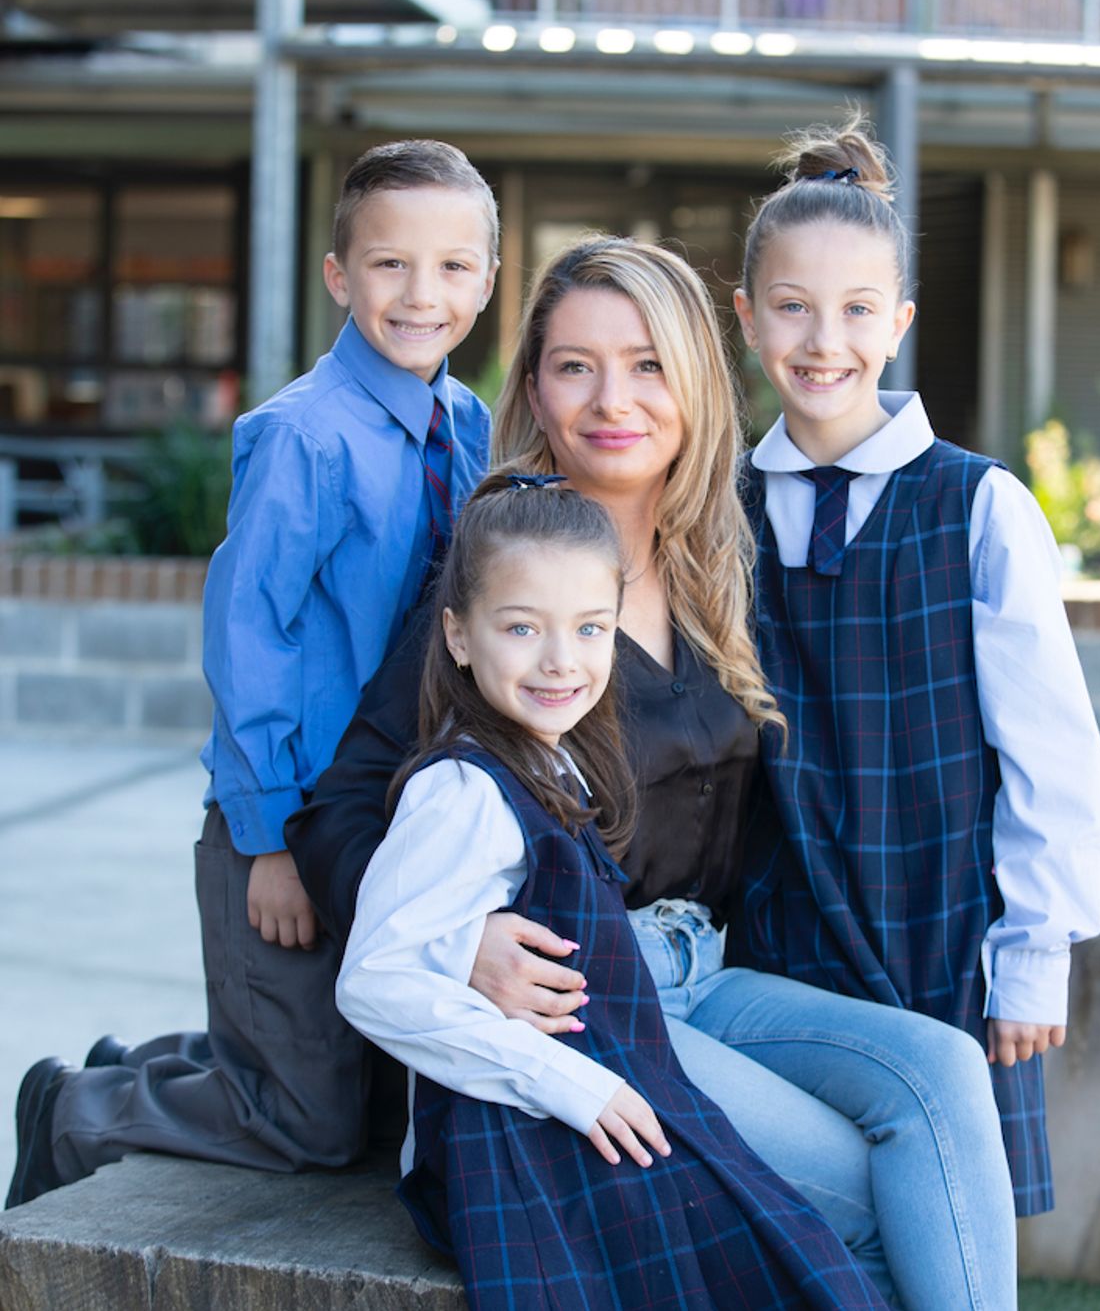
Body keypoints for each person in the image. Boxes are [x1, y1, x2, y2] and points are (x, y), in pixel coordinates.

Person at [288, 236, 1018, 1308]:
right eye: (573, 365)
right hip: (591, 992)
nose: (608, 399)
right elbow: (347, 803)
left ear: (691, 380)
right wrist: (464, 938)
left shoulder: (719, 561)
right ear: (532, 384)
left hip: (706, 973)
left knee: (943, 1076)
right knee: (858, 1191)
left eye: (644, 364)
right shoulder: (505, 580)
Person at [5, 139, 498, 1210]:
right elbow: (248, 641)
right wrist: (267, 837)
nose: (422, 294)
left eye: (453, 266)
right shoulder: (300, 437)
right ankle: (73, 1109)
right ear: (338, 275)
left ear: (488, 282)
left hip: (387, 819)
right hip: (289, 814)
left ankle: (167, 1062)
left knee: (367, 1101)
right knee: (307, 1126)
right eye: (388, 265)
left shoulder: (466, 429)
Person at [337, 473, 886, 1309]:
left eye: (591, 628)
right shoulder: (462, 791)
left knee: (794, 1247)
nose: (561, 660)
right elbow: (375, 980)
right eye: (521, 628)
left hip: (588, 1102)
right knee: (796, 1252)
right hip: (521, 1143)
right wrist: (570, 1084)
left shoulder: (549, 758)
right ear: (456, 635)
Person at [727, 117, 1100, 1217]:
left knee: (944, 1221)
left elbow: (1049, 747)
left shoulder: (975, 505)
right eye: (792, 307)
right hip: (780, 932)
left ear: (897, 322)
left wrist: (1034, 955)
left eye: (856, 310)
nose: (822, 340)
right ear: (748, 316)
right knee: (804, 1222)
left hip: (943, 931)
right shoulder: (720, 511)